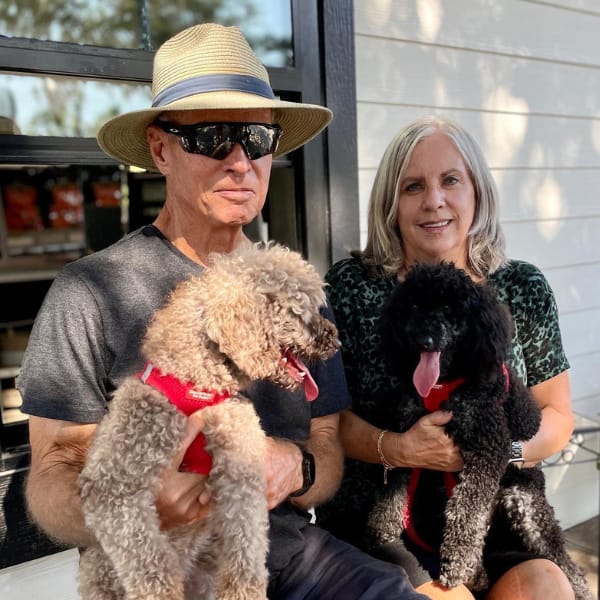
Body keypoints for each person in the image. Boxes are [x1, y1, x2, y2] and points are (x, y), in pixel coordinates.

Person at [17, 23, 431, 600]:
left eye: (257, 139)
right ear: (161, 150)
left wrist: (298, 467)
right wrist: (133, 500)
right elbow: (53, 469)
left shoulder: (296, 291)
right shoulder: (90, 290)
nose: (241, 162)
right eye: (213, 137)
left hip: (281, 555)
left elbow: (326, 440)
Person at [316, 115, 576, 600]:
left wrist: (498, 453)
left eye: (450, 180)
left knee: (546, 587)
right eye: (413, 186)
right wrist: (399, 448)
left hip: (493, 513)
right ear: (391, 205)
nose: (433, 201)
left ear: (476, 190)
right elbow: (328, 423)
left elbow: (557, 415)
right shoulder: (353, 287)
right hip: (386, 519)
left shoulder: (520, 286)